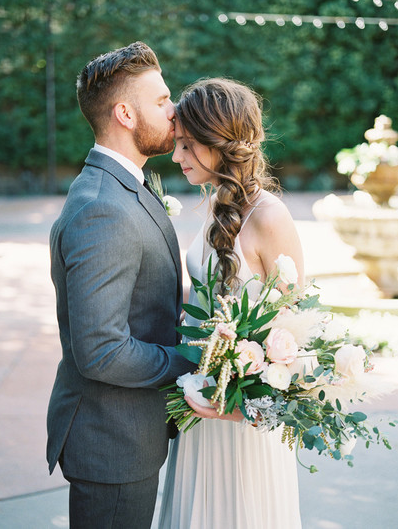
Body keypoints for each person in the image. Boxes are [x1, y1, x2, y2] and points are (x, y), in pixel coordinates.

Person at [46, 41, 195, 529]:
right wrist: (195, 361)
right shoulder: (102, 208)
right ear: (125, 114)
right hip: (112, 443)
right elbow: (102, 351)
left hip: (128, 432)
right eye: (162, 100)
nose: (174, 110)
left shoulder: (121, 184)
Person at [158, 78, 304, 528]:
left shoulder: (269, 216)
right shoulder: (215, 207)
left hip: (243, 423)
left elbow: (298, 334)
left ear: (220, 142)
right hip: (199, 407)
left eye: (187, 145)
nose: (177, 156)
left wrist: (239, 406)